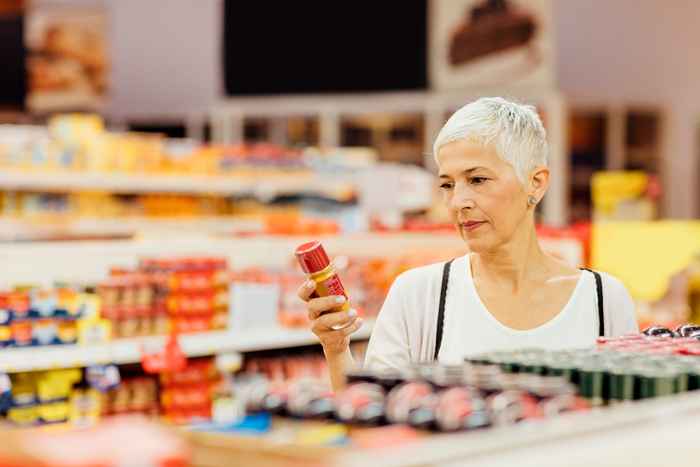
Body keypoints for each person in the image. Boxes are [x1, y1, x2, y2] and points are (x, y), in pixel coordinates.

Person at [298, 97, 638, 391]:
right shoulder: (420, 295)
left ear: (535, 183)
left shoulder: (603, 300)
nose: (458, 201)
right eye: (447, 185)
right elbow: (373, 417)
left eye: (477, 180)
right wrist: (336, 347)